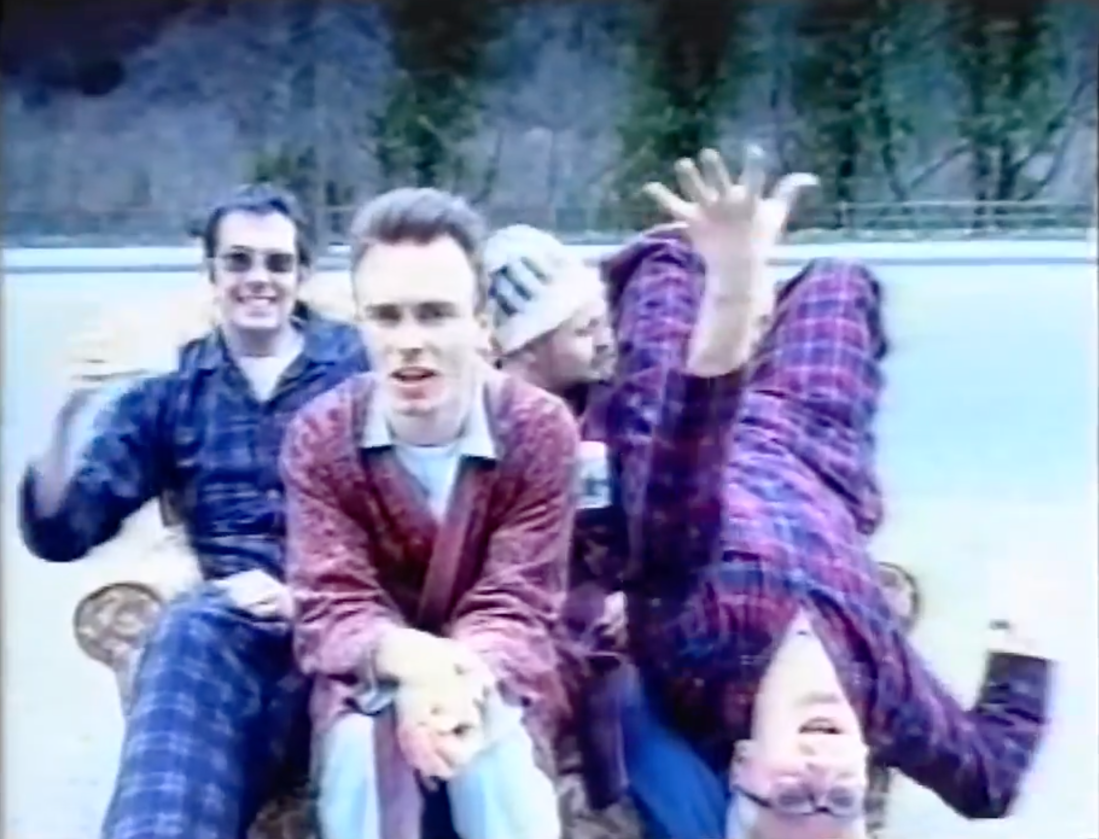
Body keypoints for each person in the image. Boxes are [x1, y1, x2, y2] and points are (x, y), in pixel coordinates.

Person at [598, 148, 1054, 839]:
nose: (820, 774)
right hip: (808, 458)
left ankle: (700, 272)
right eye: (838, 802)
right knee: (841, 283)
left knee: (661, 279)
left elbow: (685, 465)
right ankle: (768, 297)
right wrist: (1026, 630)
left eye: (790, 796)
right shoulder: (883, 701)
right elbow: (991, 779)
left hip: (682, 436)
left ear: (744, 765)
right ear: (865, 773)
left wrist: (732, 291)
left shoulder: (699, 651)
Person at [18, 183, 369, 839]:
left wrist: (312, 598)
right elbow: (64, 531)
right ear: (211, 273)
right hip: (233, 629)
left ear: (303, 274)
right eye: (238, 261)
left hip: (347, 615)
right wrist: (68, 412)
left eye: (277, 262)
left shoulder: (359, 368)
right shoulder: (173, 390)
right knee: (187, 630)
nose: (258, 279)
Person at [280, 187, 581, 839]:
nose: (409, 342)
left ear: (480, 323)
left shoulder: (539, 428)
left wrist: (455, 680)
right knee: (362, 751)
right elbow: (331, 601)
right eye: (386, 317)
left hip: (496, 667)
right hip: (370, 670)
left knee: (494, 745)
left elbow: (519, 596)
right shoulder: (320, 435)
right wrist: (412, 662)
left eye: (436, 314)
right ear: (360, 324)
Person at [482, 224, 629, 808]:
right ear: (527, 347)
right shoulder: (485, 425)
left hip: (602, 610)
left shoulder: (609, 409)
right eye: (583, 330)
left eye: (600, 323)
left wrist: (634, 596)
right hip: (525, 616)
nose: (604, 340)